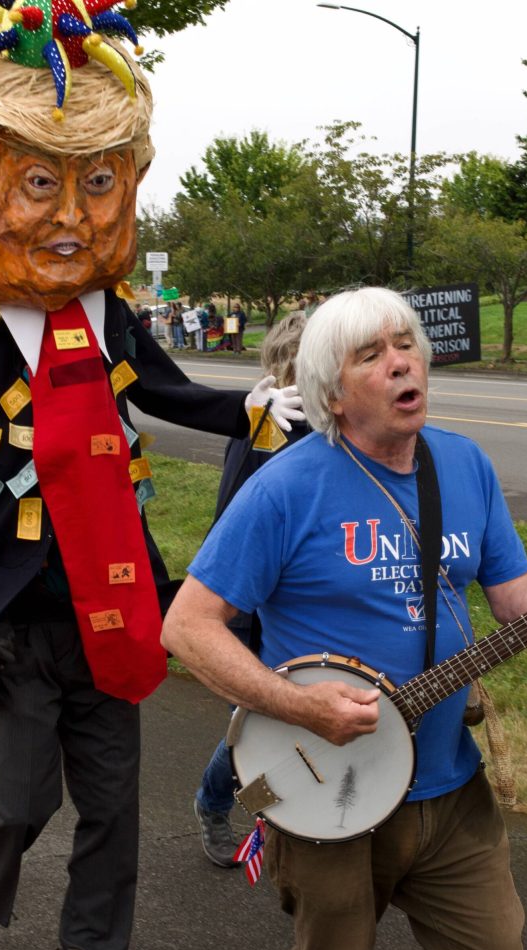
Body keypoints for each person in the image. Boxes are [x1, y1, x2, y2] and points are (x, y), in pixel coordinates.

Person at [0, 5, 304, 950]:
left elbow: (173, 396)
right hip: (11, 602)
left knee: (112, 799)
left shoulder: (112, 308)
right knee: (19, 799)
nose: (73, 217)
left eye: (94, 185)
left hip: (115, 593)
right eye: (42, 183)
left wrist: (259, 410)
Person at [162, 286, 527, 950]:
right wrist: (300, 706)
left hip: (451, 788)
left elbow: (516, 595)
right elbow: (187, 627)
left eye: (406, 345)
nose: (402, 364)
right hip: (328, 792)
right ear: (333, 392)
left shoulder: (464, 465)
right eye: (373, 355)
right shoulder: (286, 488)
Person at [193, 311, 310, 868]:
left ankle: (281, 812)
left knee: (298, 714)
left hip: (303, 599)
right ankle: (218, 802)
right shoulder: (266, 424)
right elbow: (233, 522)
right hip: (254, 602)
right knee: (259, 720)